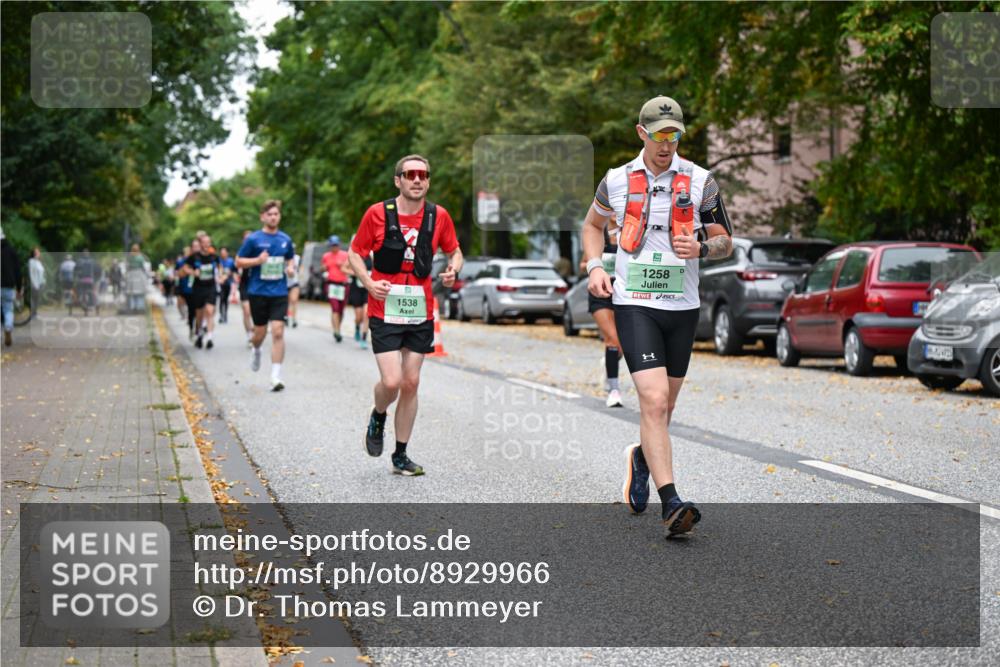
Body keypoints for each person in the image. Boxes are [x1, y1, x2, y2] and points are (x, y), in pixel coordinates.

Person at [582, 96, 733, 536]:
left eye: (675, 135)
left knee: (663, 409)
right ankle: (672, 503)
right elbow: (592, 226)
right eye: (660, 135)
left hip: (681, 307)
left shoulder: (700, 180)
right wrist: (595, 267)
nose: (668, 144)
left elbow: (726, 240)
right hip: (634, 302)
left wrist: (703, 248)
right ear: (642, 133)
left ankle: (641, 458)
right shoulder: (616, 180)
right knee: (653, 400)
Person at [348, 154, 463, 476]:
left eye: (423, 175)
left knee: (411, 383)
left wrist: (453, 268)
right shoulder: (377, 214)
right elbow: (355, 253)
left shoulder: (438, 216)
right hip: (384, 307)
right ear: (398, 180)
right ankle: (378, 413)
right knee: (392, 381)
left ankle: (400, 454)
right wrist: (369, 283)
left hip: (419, 310)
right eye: (410, 174)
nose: (417, 180)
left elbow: (454, 250)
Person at [237, 200, 296, 391]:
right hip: (258, 292)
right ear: (263, 217)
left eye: (276, 214)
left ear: (279, 216)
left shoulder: (285, 239)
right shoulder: (253, 239)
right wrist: (257, 260)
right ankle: (256, 349)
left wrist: (290, 268)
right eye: (269, 214)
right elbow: (238, 261)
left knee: (278, 331)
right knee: (259, 333)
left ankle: (275, 376)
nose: (273, 217)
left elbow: (290, 260)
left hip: (279, 292)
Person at [580, 225, 624, 408]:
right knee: (612, 339)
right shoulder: (599, 233)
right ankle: (614, 390)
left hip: (622, 293)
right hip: (600, 294)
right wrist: (597, 267)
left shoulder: (629, 232)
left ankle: (609, 362)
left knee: (622, 344)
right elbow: (583, 264)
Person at [184, 235, 220, 349]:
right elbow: (185, 268)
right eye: (204, 242)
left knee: (209, 311)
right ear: (200, 244)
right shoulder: (194, 257)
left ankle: (209, 338)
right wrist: (193, 272)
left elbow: (220, 268)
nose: (206, 245)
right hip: (198, 288)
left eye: (208, 242)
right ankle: (199, 334)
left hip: (211, 287)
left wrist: (220, 276)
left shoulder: (214, 257)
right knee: (199, 315)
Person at [344, 234, 372, 349]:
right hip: (356, 288)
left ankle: (364, 337)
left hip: (368, 288)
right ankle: (357, 327)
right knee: (359, 316)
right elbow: (343, 268)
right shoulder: (353, 256)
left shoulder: (371, 255)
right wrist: (356, 273)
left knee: (366, 314)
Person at [322, 236, 349, 342]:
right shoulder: (326, 256)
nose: (335, 247)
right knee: (335, 308)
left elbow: (350, 268)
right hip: (331, 284)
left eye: (336, 245)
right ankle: (336, 331)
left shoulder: (345, 255)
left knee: (341, 310)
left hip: (343, 285)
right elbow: (322, 267)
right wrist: (324, 268)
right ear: (330, 246)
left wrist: (343, 265)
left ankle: (338, 327)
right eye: (333, 245)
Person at [1, 231, 21, 346]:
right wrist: (19, 288)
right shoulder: (11, 251)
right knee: (8, 309)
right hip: (8, 285)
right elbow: (17, 271)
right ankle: (8, 328)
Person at [237, 230, 254, 346]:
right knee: (246, 311)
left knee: (256, 312)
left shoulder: (259, 251)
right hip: (245, 284)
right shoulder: (241, 253)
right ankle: (249, 335)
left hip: (258, 285)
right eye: (246, 239)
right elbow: (236, 265)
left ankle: (257, 332)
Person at [73, 249, 102, 315]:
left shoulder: (79, 261)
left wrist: (76, 278)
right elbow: (98, 270)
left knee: (82, 292)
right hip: (91, 280)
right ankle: (96, 304)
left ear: (82, 254)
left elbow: (75, 271)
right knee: (93, 292)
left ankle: (83, 304)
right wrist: (96, 279)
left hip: (82, 280)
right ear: (89, 254)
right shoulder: (93, 261)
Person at [125, 243, 149, 313]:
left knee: (132, 292)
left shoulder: (129, 256)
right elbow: (143, 266)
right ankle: (140, 307)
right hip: (139, 274)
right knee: (140, 292)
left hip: (131, 274)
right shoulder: (140, 257)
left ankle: (133, 307)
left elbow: (127, 266)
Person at [175, 247, 193, 333]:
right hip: (181, 284)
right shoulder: (180, 262)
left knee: (189, 302)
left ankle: (188, 316)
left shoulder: (193, 261)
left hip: (191, 284)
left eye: (189, 252)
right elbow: (177, 273)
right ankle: (184, 315)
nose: (187, 253)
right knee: (180, 301)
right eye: (186, 252)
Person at [218, 247, 235, 324]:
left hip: (228, 282)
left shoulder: (231, 261)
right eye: (221, 252)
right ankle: (221, 315)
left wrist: (228, 275)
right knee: (221, 298)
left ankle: (225, 315)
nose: (223, 254)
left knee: (226, 299)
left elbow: (234, 271)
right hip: (220, 283)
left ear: (227, 253)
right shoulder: (219, 261)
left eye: (224, 252)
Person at [28, 247, 46, 315]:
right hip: (35, 284)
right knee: (33, 299)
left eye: (38, 252)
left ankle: (35, 313)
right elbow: (31, 274)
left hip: (40, 284)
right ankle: (33, 314)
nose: (38, 253)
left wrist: (43, 281)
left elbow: (42, 273)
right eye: (36, 252)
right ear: (33, 253)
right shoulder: (31, 261)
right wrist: (34, 284)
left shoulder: (39, 262)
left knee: (37, 300)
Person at [286, 251, 301, 328]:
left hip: (294, 282)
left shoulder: (297, 258)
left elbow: (301, 269)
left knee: (294, 300)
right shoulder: (282, 257)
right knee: (287, 302)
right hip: (284, 283)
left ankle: (294, 319)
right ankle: (287, 316)